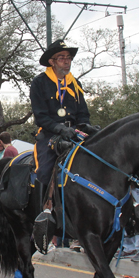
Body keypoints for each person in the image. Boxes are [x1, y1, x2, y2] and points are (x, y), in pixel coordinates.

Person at [29, 39, 97, 247]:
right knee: (45, 169)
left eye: (68, 58)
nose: (66, 62)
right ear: (52, 61)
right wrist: (60, 129)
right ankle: (44, 215)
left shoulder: (75, 84)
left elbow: (83, 113)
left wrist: (86, 127)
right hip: (51, 133)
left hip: (75, 133)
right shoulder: (39, 82)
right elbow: (40, 116)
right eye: (62, 58)